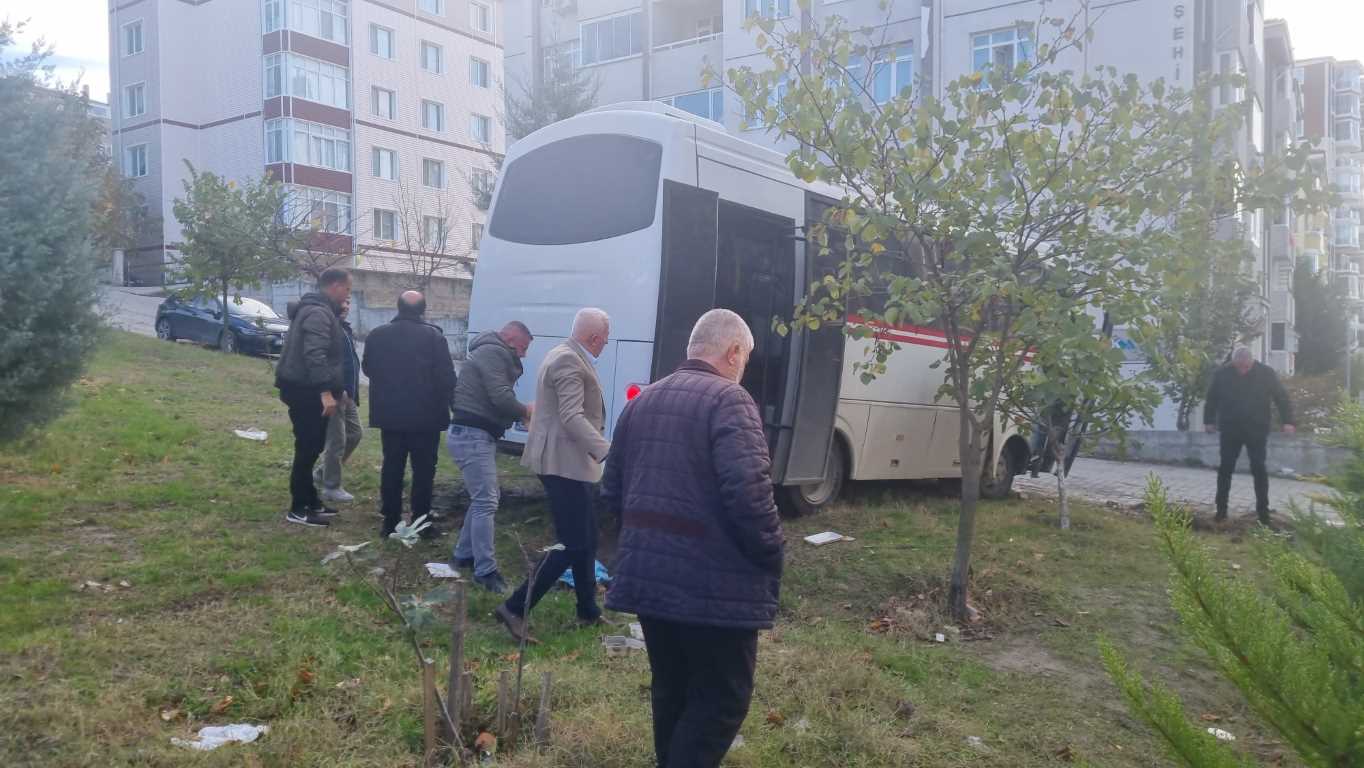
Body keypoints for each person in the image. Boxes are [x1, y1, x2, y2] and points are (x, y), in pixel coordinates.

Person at [601, 308, 784, 768]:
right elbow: (749, 496)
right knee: (722, 701)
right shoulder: (730, 400)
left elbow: (612, 491)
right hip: (714, 587)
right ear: (735, 351)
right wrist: (772, 552)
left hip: (649, 579)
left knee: (673, 690)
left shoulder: (642, 400)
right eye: (745, 358)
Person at [495, 309, 613, 640]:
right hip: (562, 465)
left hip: (569, 463)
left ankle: (588, 610)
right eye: (605, 335)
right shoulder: (568, 361)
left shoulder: (569, 355)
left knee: (587, 537)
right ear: (594, 337)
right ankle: (515, 608)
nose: (606, 341)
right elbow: (572, 417)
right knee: (574, 543)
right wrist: (606, 450)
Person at [362, 291, 456, 538]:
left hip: (390, 416)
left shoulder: (377, 335)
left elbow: (368, 368)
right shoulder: (434, 337)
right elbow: (447, 378)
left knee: (392, 467)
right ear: (423, 310)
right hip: (426, 418)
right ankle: (421, 522)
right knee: (424, 471)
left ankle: (390, 522)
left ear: (398, 307)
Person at [449, 320, 534, 593]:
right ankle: (485, 571)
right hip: (472, 434)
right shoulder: (493, 353)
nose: (523, 354)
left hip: (473, 434)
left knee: (482, 498)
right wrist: (526, 412)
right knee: (487, 500)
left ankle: (463, 555)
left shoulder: (490, 352)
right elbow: (500, 396)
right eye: (522, 347)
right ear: (509, 337)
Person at [275, 268, 352, 528]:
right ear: (334, 286)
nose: (348, 294)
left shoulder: (321, 310)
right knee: (307, 448)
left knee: (313, 444)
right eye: (347, 289)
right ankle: (298, 508)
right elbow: (315, 355)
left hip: (305, 389)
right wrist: (326, 393)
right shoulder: (318, 312)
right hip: (306, 391)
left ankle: (311, 499)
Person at [1204, 346, 1296, 523]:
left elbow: (1281, 397)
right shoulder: (1222, 374)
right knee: (1225, 469)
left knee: (1259, 468)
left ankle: (1263, 513)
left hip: (1257, 428)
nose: (1243, 370)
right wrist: (1209, 421)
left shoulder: (1266, 373)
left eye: (1246, 367)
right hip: (1230, 428)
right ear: (1233, 362)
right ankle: (1221, 512)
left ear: (1252, 362)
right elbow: (1212, 398)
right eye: (1239, 367)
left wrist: (1288, 421)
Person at [314, 295, 362, 504]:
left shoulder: (344, 327)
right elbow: (322, 360)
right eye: (343, 302)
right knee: (337, 440)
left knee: (355, 433)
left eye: (349, 303)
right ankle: (331, 486)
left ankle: (322, 472)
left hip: (346, 394)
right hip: (334, 393)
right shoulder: (329, 328)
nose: (346, 306)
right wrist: (333, 389)